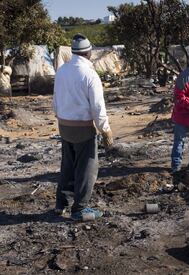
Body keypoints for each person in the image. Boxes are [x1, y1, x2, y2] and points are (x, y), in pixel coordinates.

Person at [52, 33, 113, 221]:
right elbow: (97, 107)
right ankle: (80, 209)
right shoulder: (90, 74)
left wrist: (61, 118)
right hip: (83, 129)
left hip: (64, 126)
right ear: (89, 53)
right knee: (87, 168)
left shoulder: (62, 71)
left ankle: (61, 204)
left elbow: (55, 101)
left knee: (68, 166)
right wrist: (105, 129)